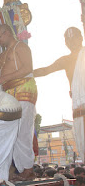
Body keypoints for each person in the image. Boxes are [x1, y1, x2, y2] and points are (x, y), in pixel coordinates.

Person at [0, 24, 38, 181]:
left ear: (7, 33)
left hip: (24, 90)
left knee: (22, 131)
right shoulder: (5, 53)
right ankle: (20, 169)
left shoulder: (21, 47)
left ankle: (28, 169)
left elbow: (28, 68)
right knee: (12, 133)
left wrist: (2, 79)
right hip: (10, 95)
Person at [34, 27, 85, 162]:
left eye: (74, 38)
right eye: (68, 40)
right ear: (66, 43)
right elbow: (46, 70)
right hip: (78, 107)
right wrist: (26, 73)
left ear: (81, 38)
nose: (71, 42)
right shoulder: (66, 60)